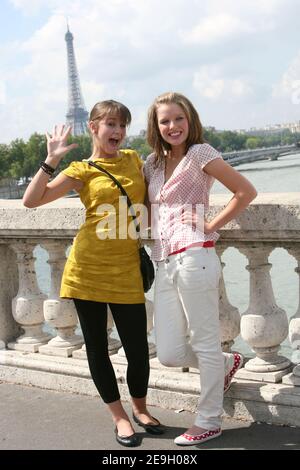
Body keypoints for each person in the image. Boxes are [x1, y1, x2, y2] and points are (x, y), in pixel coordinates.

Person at [22, 100, 164, 447]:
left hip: (126, 267)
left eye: (122, 125)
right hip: (86, 269)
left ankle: (140, 408)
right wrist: (51, 159)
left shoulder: (133, 159)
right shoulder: (81, 169)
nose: (117, 131)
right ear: (94, 127)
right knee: (97, 348)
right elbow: (31, 200)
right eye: (111, 124)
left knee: (137, 348)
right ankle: (119, 417)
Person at [144, 92, 257, 446]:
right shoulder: (151, 163)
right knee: (169, 352)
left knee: (204, 342)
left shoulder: (200, 154)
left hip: (195, 255)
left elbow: (244, 191)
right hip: (163, 261)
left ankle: (209, 420)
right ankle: (224, 364)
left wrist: (211, 225)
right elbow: (146, 212)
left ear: (189, 120)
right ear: (156, 126)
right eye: (165, 121)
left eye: (179, 118)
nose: (173, 126)